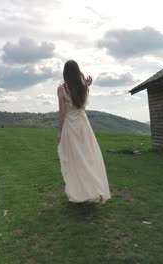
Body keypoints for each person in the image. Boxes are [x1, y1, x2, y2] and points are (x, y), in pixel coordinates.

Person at [57, 60, 111, 203]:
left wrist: (60, 131)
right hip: (83, 125)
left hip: (70, 125)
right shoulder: (82, 87)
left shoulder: (62, 89)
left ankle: (80, 193)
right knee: (88, 157)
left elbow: (62, 112)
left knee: (75, 160)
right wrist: (87, 86)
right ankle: (94, 189)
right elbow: (82, 103)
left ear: (65, 73)